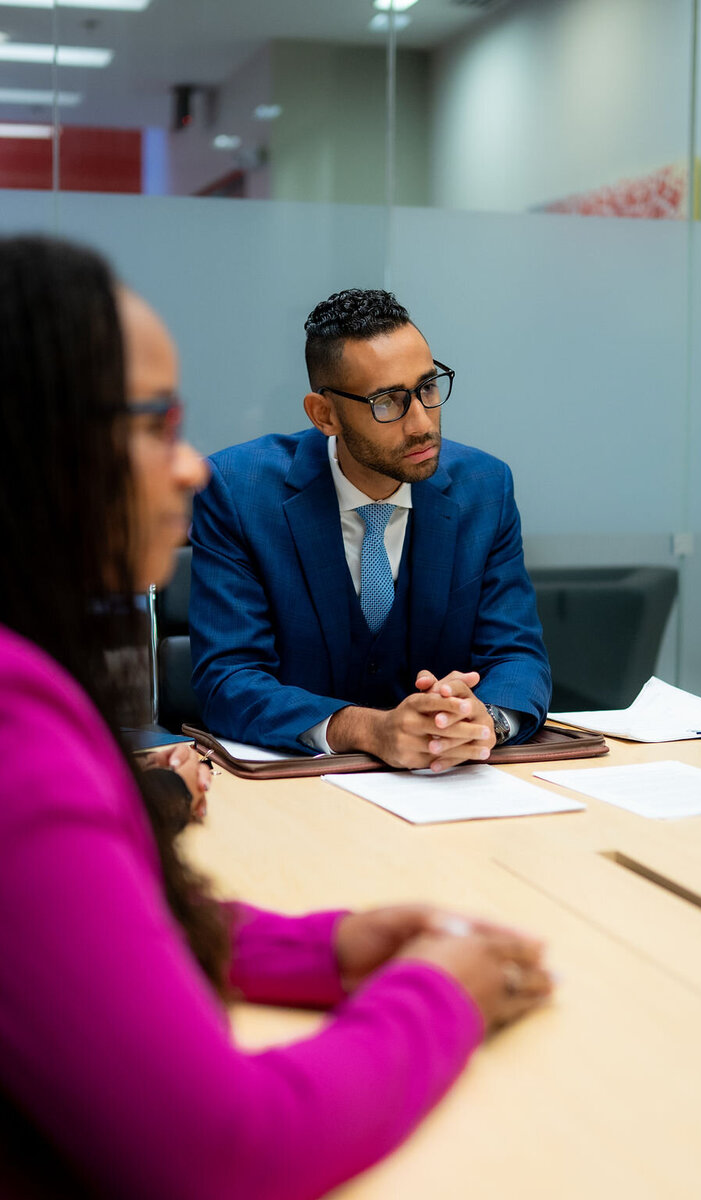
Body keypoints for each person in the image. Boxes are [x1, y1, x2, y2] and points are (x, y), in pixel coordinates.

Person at [0, 236, 553, 1200]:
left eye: (429, 389)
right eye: (154, 425)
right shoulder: (19, 726)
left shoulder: (32, 684)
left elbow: (79, 926)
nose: (189, 469)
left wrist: (320, 949)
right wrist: (441, 992)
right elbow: (218, 1149)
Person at [190, 288, 551, 768]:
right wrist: (369, 730)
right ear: (325, 415)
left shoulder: (484, 488)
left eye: (428, 388)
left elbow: (517, 655)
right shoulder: (239, 491)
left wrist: (485, 720)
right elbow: (229, 679)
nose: (421, 423)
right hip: (299, 787)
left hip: (449, 783)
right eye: (387, 402)